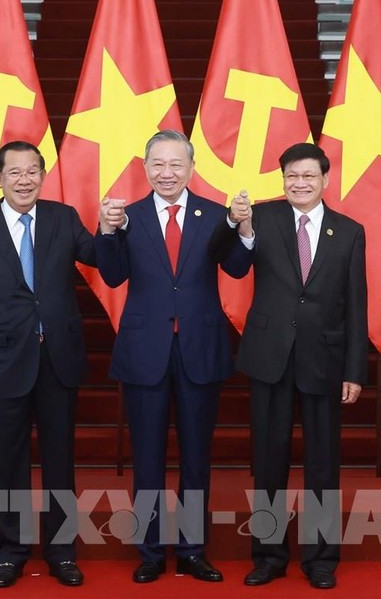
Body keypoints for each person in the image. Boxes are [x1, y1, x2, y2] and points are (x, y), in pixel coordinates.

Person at [211, 142, 368, 590]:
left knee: (323, 465)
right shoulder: (261, 217)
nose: (299, 183)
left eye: (308, 177)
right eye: (291, 177)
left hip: (325, 359)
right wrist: (235, 226)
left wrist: (354, 370)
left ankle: (321, 560)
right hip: (269, 357)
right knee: (268, 461)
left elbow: (357, 305)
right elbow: (233, 266)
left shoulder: (349, 231)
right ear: (282, 180)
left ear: (324, 180)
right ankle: (268, 555)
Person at [94, 130, 248, 584]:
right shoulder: (127, 216)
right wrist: (105, 231)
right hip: (145, 352)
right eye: (158, 164)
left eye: (176, 164)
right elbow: (114, 274)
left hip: (200, 348)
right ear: (145, 168)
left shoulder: (215, 215)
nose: (167, 173)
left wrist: (245, 229)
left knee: (197, 459)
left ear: (191, 167)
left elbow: (237, 267)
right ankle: (149, 551)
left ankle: (193, 550)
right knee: (147, 459)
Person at [0, 141, 96, 589]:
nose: (24, 180)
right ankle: (11, 552)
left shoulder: (63, 218)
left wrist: (114, 228)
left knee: (60, 460)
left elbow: (98, 258)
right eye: (14, 172)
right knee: (7, 462)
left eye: (32, 171)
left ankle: (61, 552)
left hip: (58, 360)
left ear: (42, 174)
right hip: (1, 363)